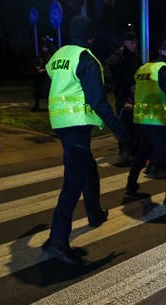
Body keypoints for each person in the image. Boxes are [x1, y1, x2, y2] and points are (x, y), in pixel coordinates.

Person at [42, 15, 131, 264]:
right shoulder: (86, 59)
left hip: (61, 123)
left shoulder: (59, 55)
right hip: (76, 125)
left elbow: (49, 77)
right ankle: (57, 240)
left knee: (87, 167)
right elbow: (98, 102)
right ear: (91, 36)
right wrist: (121, 132)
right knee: (73, 181)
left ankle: (94, 213)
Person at [124, 39, 166, 210]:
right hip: (158, 122)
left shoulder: (144, 68)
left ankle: (130, 186)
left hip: (140, 121)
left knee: (143, 152)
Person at [104, 31, 143, 117]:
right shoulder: (119, 55)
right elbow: (107, 66)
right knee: (122, 116)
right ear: (125, 42)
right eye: (132, 43)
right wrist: (111, 81)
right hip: (122, 92)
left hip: (134, 90)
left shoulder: (136, 55)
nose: (134, 45)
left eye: (136, 43)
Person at [31, 36, 54, 112]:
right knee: (37, 92)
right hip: (39, 77)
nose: (44, 49)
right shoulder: (40, 55)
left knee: (47, 92)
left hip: (46, 76)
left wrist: (44, 70)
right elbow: (34, 62)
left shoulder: (50, 56)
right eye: (43, 48)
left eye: (46, 48)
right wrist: (37, 68)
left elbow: (51, 66)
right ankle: (36, 105)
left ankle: (49, 106)